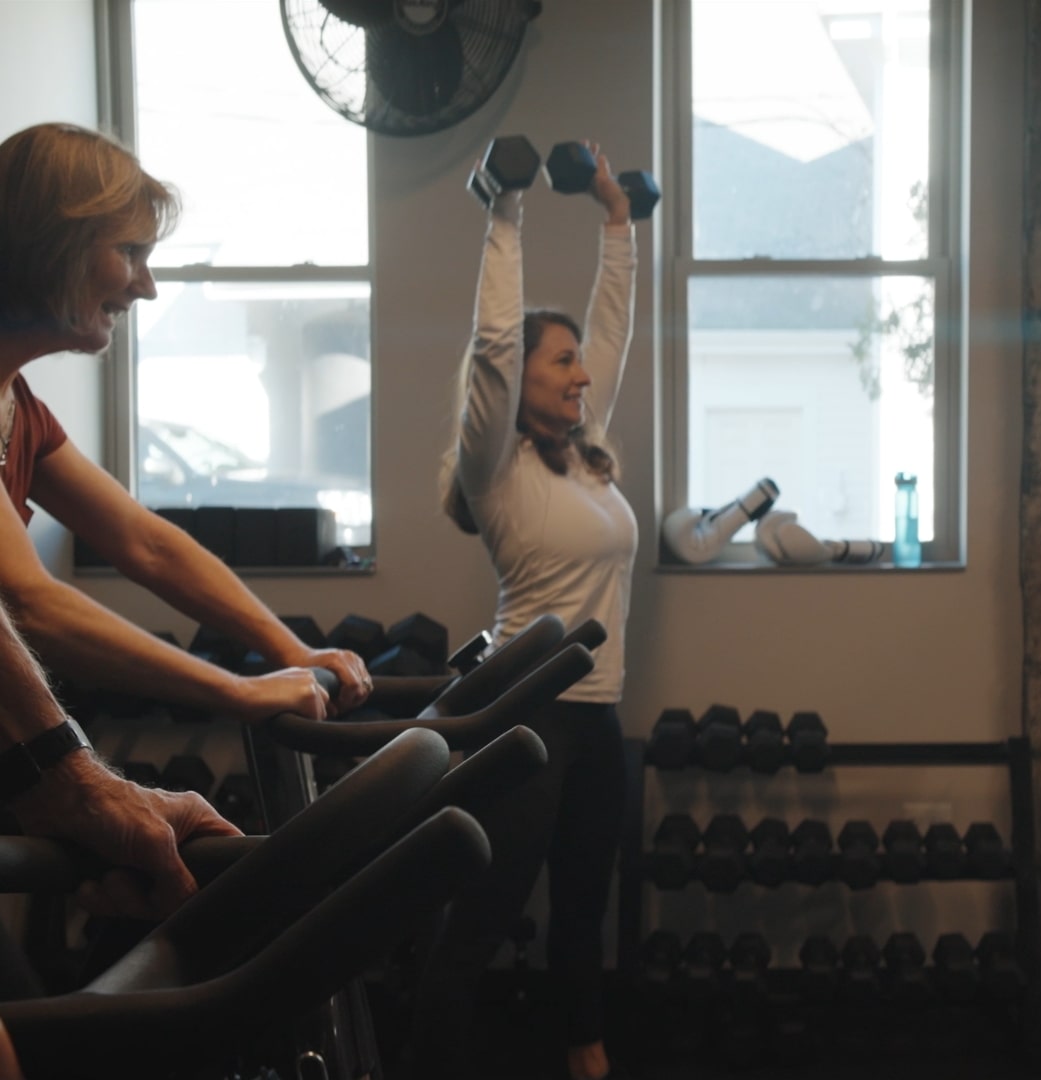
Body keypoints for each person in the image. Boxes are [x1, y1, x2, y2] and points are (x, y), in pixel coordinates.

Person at [0, 122, 372, 729]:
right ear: (56, 246)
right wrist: (239, 691)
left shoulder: (20, 408)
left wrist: (290, 651)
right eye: (129, 254)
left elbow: (143, 541)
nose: (145, 287)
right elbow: (26, 602)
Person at [419, 141, 637, 1080]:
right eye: (563, 364)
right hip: (527, 711)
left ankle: (583, 1049)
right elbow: (496, 345)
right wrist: (502, 213)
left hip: (598, 712)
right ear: (523, 384)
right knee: (490, 905)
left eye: (579, 365)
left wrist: (617, 222)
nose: (582, 376)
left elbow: (614, 332)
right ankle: (430, 1059)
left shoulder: (587, 458)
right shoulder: (495, 469)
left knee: (585, 901)